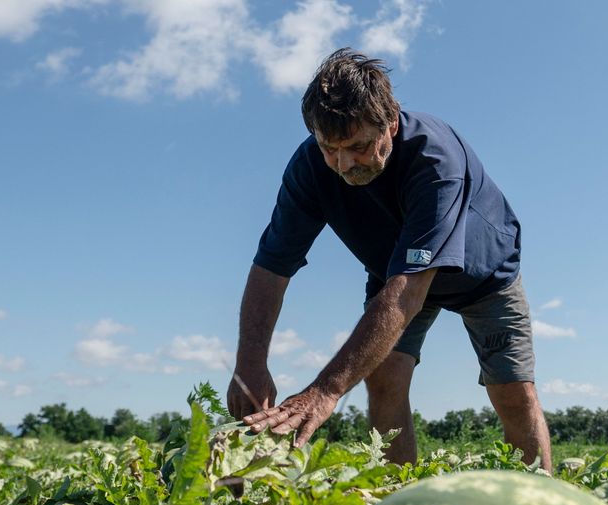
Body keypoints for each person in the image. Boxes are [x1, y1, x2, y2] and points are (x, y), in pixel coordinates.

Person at [227, 48, 552, 470]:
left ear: (391, 123)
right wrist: (249, 363)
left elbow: (407, 293)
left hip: (484, 275)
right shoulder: (310, 168)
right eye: (330, 148)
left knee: (513, 392)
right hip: (392, 271)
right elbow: (271, 267)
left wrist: (324, 391)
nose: (344, 164)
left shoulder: (435, 161)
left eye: (359, 147)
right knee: (383, 380)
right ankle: (397, 499)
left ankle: (545, 504)